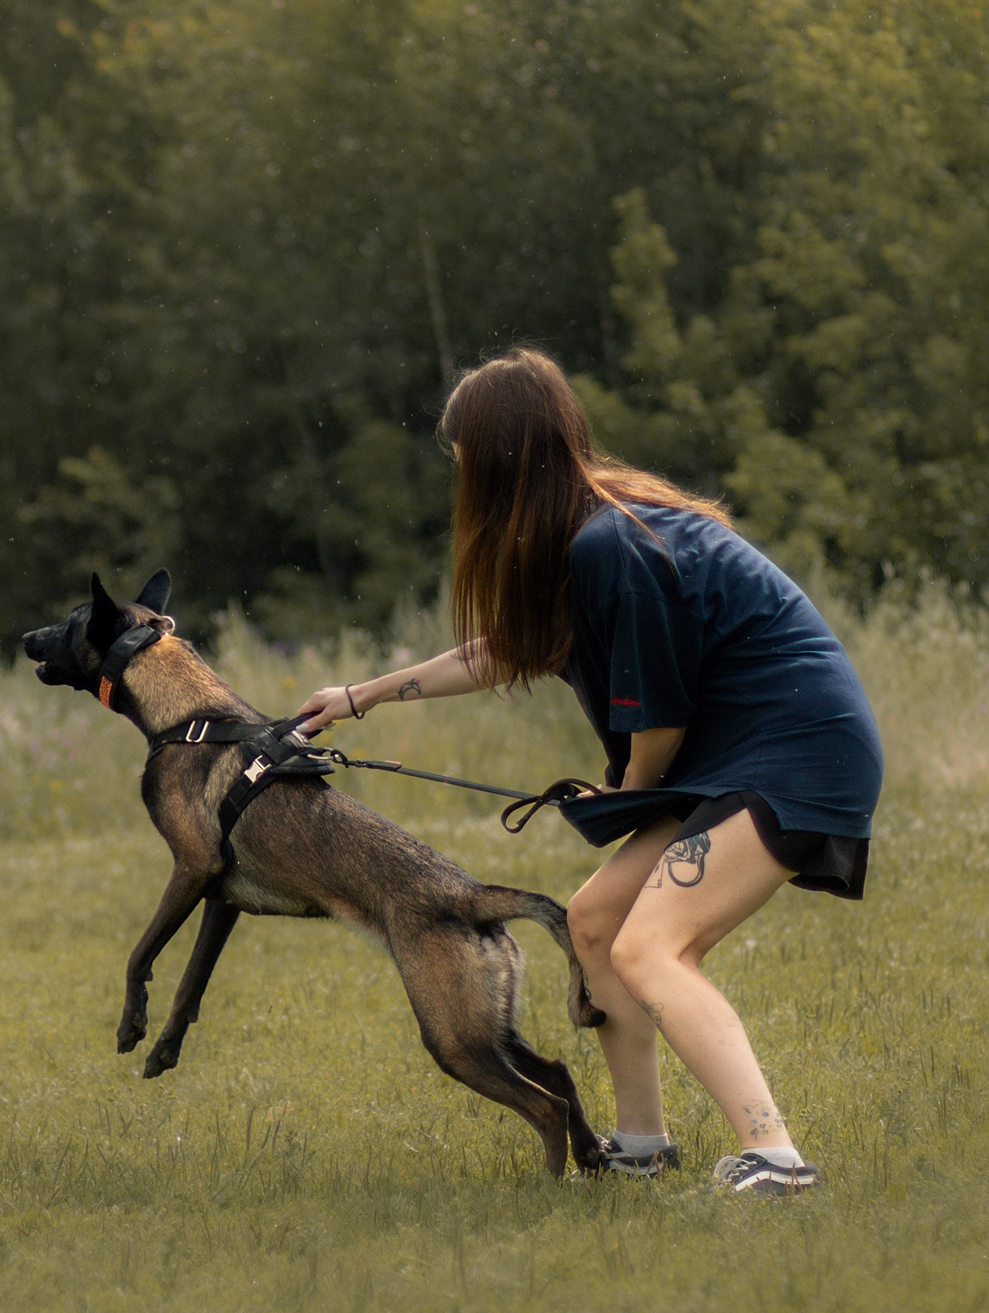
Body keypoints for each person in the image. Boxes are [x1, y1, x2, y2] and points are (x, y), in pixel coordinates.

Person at [295, 349, 882, 1196]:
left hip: (798, 751)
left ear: (496, 459)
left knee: (653, 946)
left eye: (464, 462)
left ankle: (777, 1160)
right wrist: (362, 696)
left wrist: (629, 790)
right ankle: (641, 1148)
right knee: (597, 922)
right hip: (737, 756)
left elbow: (662, 716)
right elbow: (505, 649)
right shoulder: (580, 533)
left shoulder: (615, 543)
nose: (462, 483)